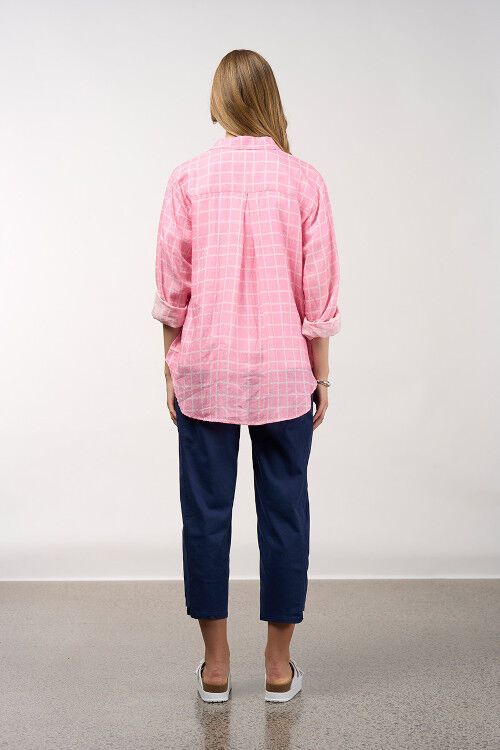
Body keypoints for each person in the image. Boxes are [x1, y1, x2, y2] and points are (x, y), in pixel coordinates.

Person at [152, 49, 341, 703]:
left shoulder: (188, 179)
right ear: (270, 99)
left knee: (205, 515)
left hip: (206, 367)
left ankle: (216, 666)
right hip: (285, 371)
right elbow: (318, 291)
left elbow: (172, 289)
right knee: (285, 513)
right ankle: (278, 667)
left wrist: (171, 369)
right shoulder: (304, 181)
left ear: (219, 102)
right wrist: (321, 376)